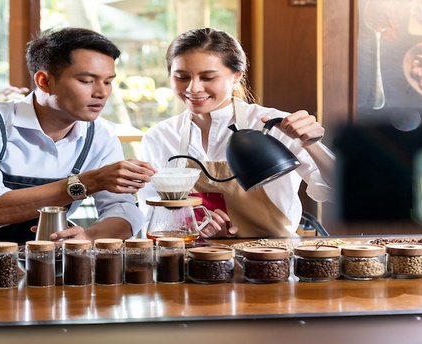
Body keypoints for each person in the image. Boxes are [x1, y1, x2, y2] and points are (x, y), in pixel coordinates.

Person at [0, 27, 157, 244]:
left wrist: (90, 237)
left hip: (43, 262)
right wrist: (90, 181)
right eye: (87, 81)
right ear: (44, 81)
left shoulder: (100, 133)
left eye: (108, 81)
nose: (102, 92)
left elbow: (122, 208)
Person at [138, 27, 334, 238]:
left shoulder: (274, 124)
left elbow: (341, 191)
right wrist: (192, 221)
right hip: (193, 258)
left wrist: (311, 144)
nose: (193, 88)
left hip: (274, 258)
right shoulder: (159, 137)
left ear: (236, 76)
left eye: (208, 77)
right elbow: (151, 216)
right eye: (182, 77)